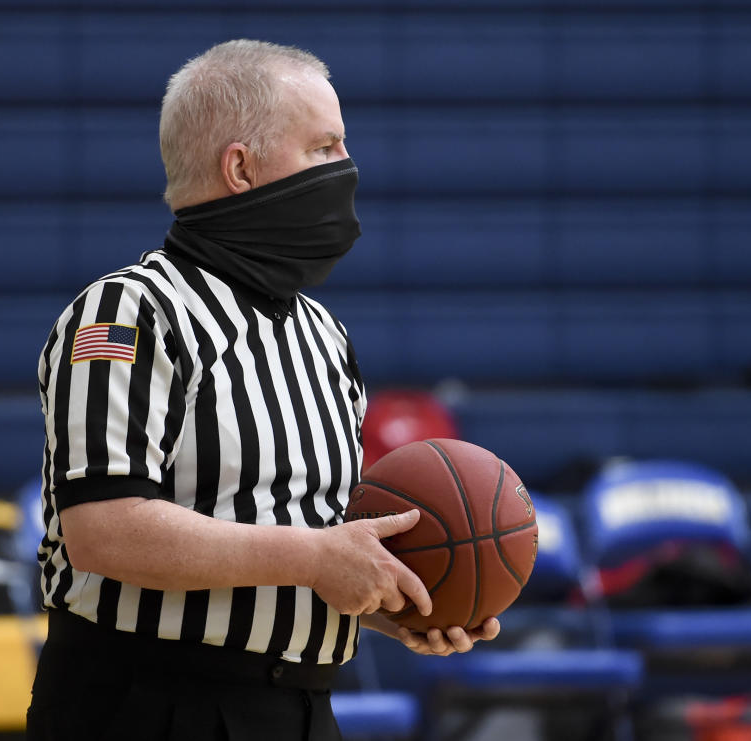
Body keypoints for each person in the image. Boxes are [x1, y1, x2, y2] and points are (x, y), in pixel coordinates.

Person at [27, 39, 500, 741]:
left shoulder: (322, 333)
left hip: (299, 709)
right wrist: (314, 558)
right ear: (240, 167)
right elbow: (104, 528)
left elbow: (298, 534)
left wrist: (390, 600)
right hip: (144, 701)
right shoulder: (129, 311)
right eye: (324, 147)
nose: (347, 169)